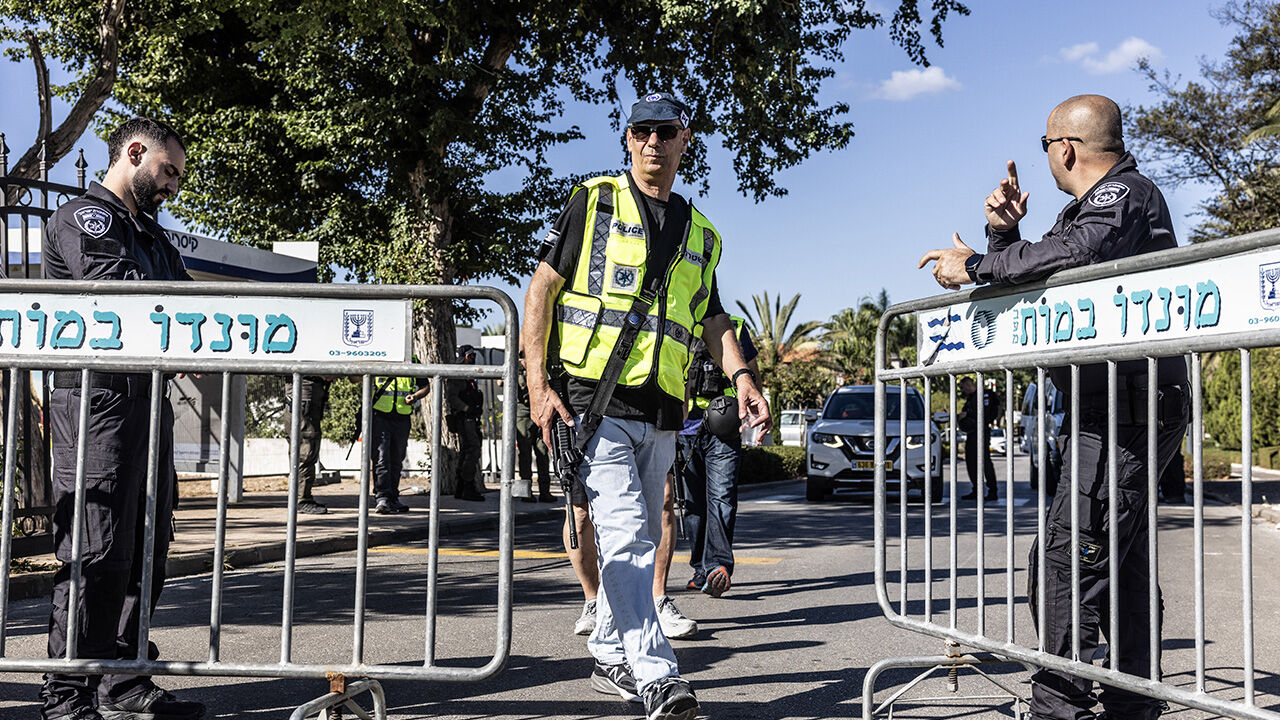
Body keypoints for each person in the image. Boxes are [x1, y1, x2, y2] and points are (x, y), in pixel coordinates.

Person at [919, 94, 1189, 720]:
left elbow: (1065, 258)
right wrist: (1003, 232)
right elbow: (1039, 268)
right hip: (1110, 406)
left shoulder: (1124, 196)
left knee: (1069, 556)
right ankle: (1132, 699)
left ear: (1064, 148)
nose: (1047, 159)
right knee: (1109, 557)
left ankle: (1057, 707)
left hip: (1127, 407)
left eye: (1046, 147)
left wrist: (978, 264)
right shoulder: (1091, 209)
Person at [522, 92, 769, 720]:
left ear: (686, 141)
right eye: (641, 133)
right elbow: (542, 291)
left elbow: (711, 318)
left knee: (644, 532)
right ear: (628, 141)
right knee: (629, 535)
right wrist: (536, 385)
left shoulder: (702, 233)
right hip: (593, 404)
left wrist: (742, 377)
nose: (652, 142)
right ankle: (655, 674)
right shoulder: (594, 200)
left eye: (665, 131)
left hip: (662, 411)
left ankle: (608, 648)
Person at [39, 117, 205, 720]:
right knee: (97, 545)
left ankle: (123, 680)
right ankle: (69, 694)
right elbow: (111, 289)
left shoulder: (156, 238)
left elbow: (194, 308)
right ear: (134, 153)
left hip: (148, 401)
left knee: (146, 546)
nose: (173, 188)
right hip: (97, 403)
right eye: (168, 172)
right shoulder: (87, 219)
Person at [677, 318, 759, 597]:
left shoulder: (733, 326)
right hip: (685, 431)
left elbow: (751, 373)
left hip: (724, 428)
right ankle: (701, 569)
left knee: (722, 499)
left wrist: (749, 418)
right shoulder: (678, 322)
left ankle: (718, 566)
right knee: (693, 507)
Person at [565, 474, 699, 641]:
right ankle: (593, 602)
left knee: (664, 498)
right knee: (580, 510)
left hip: (650, 445)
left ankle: (658, 601)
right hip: (585, 449)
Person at [369, 368, 429, 514]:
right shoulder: (381, 357)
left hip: (402, 416)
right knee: (381, 458)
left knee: (397, 459)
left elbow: (425, 387)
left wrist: (414, 397)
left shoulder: (413, 360)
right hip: (380, 414)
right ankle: (382, 497)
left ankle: (393, 497)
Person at [446, 345, 485, 502]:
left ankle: (462, 486)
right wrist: (467, 408)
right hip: (464, 418)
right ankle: (467, 486)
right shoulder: (457, 373)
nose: (473, 358)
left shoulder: (469, 374)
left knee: (468, 451)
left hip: (471, 417)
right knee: (472, 449)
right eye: (470, 356)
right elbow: (452, 397)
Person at [287, 376, 332, 514]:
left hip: (306, 398)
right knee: (305, 451)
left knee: (306, 449)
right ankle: (302, 500)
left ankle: (302, 498)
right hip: (304, 399)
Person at [515, 351, 554, 503]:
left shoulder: (540, 367)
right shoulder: (517, 369)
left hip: (539, 411)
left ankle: (545, 491)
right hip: (523, 413)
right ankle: (526, 492)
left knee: (542, 451)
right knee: (525, 453)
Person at [956, 376, 999, 502]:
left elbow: (985, 414)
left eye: (964, 388)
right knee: (971, 461)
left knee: (985, 461)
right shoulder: (970, 399)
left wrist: (967, 414)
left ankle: (993, 491)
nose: (963, 391)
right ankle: (976, 490)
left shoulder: (984, 395)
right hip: (972, 433)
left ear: (969, 385)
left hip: (982, 432)